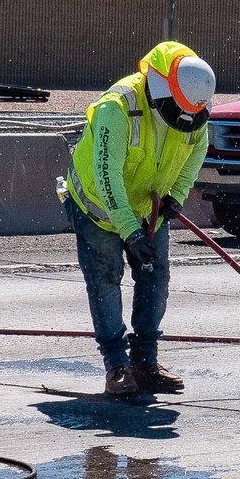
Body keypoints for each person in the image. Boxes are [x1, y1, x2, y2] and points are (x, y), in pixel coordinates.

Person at [61, 40, 217, 399]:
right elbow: (106, 176)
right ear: (161, 90)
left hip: (149, 209)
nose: (185, 120)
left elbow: (197, 148)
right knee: (104, 279)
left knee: (154, 278)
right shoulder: (116, 108)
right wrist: (130, 231)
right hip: (97, 209)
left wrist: (176, 196)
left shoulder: (192, 105)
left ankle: (145, 364)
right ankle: (116, 366)